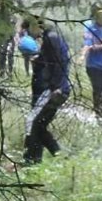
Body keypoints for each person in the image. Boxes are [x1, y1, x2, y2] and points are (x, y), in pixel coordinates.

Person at [22, 16, 70, 165]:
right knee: (38, 124)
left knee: (35, 122)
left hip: (56, 89)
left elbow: (60, 63)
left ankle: (36, 159)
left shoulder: (51, 38)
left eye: (30, 29)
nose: (30, 34)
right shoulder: (49, 38)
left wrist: (57, 87)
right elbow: (48, 59)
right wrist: (38, 59)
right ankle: (40, 158)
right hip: (55, 88)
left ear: (36, 26)